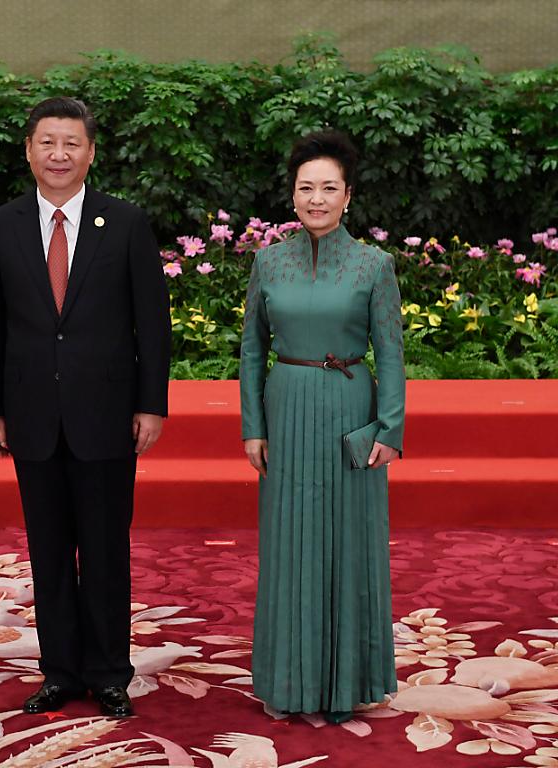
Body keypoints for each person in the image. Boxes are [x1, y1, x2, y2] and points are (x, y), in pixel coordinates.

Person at [0, 97, 171, 719]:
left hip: (107, 414)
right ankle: (59, 671)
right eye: (48, 143)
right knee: (48, 551)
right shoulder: (2, 225)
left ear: (90, 152)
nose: (59, 155)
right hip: (31, 413)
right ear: (29, 150)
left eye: (71, 144)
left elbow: (152, 322)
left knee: (106, 550)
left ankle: (109, 672)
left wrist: (151, 403)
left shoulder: (126, 222)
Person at [239, 130, 405, 723]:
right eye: (306, 187)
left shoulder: (374, 264)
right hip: (285, 408)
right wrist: (253, 426)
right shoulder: (268, 261)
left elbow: (391, 352)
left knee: (350, 542)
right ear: (292, 195)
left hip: (351, 410)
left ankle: (349, 682)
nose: (316, 199)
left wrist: (389, 429)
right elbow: (252, 350)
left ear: (348, 195)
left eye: (329, 188)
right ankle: (288, 682)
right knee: (287, 544)